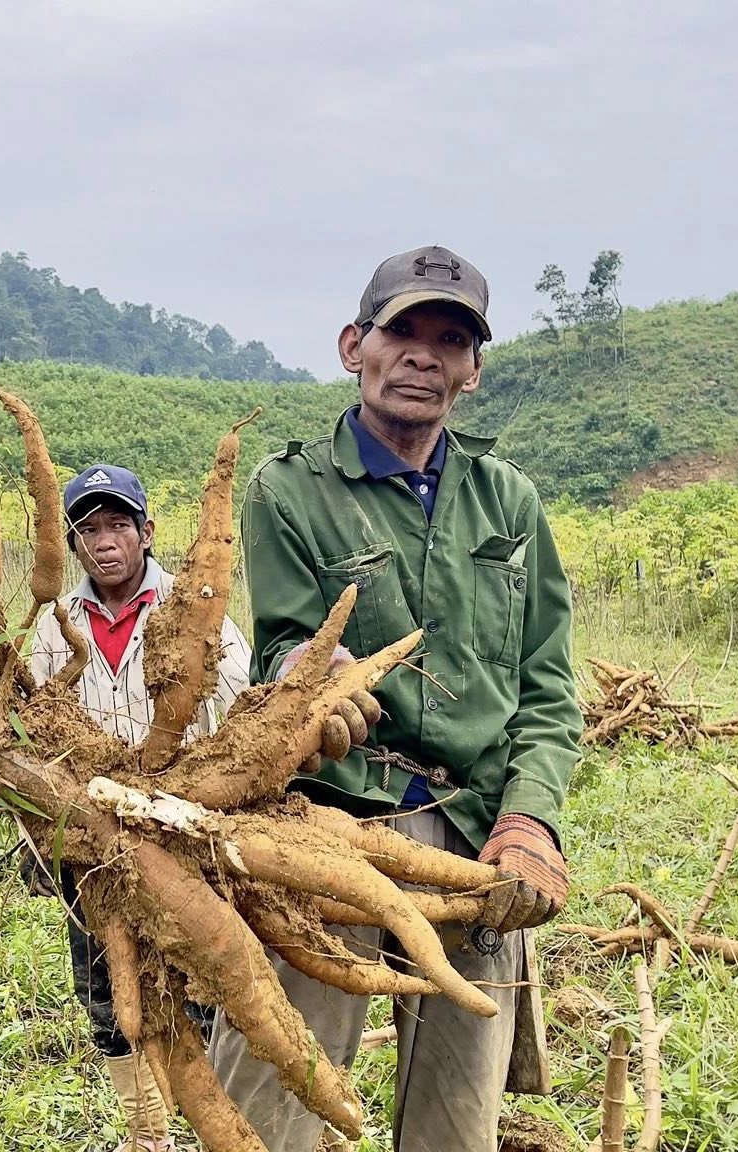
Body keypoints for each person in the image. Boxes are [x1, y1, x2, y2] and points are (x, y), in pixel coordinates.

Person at [212, 245, 583, 1149]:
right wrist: (315, 688)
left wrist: (531, 819)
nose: (424, 355)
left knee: (457, 1122)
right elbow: (283, 642)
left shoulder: (511, 501)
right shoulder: (289, 488)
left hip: (476, 833)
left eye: (450, 339)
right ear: (355, 346)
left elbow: (548, 683)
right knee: (276, 1097)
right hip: (330, 821)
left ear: (473, 371)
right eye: (402, 331)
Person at [25, 463, 251, 1152]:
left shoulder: (193, 609)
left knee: (198, 980)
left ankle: (202, 1121)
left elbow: (239, 713)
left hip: (182, 832)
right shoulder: (52, 623)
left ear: (147, 531)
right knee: (106, 989)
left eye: (118, 524)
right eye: (88, 530)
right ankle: (146, 1132)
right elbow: (34, 727)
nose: (104, 542)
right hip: (91, 843)